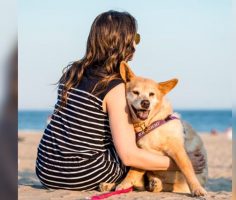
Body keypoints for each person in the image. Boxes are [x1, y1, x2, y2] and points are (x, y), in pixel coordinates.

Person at [35, 10, 206, 191]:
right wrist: (179, 163)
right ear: (123, 43)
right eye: (135, 39)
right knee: (141, 158)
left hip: (47, 169)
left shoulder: (72, 73)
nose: (135, 45)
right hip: (81, 174)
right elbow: (129, 156)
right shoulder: (113, 87)